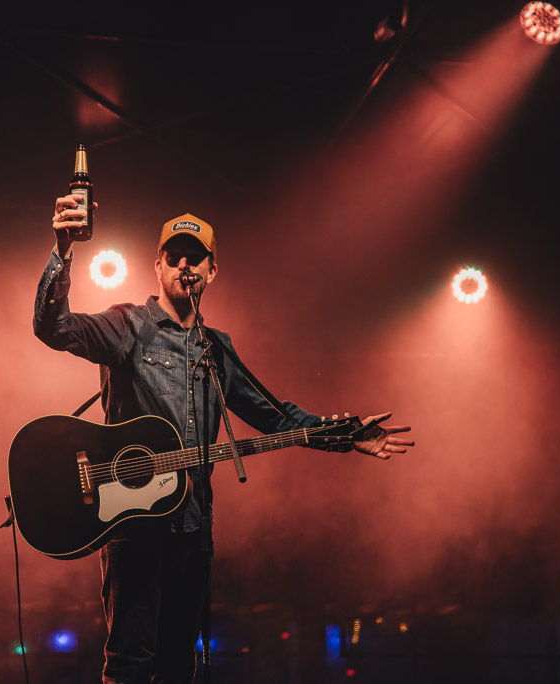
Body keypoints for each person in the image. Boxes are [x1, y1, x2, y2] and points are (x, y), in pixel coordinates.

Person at [34, 194, 414, 684]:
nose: (185, 264)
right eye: (175, 255)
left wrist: (344, 434)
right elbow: (54, 327)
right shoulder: (126, 325)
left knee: (179, 663)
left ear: (213, 272)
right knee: (130, 661)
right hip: (133, 527)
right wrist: (63, 250)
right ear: (157, 265)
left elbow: (277, 416)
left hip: (192, 528)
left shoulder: (217, 350)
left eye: (196, 257)